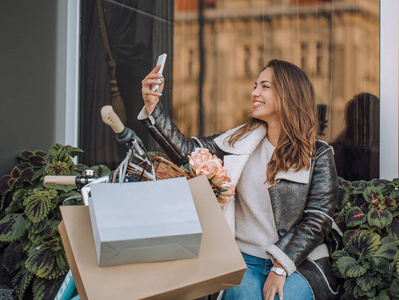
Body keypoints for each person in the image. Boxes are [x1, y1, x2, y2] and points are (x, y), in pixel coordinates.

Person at [138, 59, 340, 300]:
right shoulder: (239, 141)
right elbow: (188, 151)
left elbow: (319, 218)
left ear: (289, 94)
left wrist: (280, 266)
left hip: (300, 261)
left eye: (265, 86)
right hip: (243, 258)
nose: (254, 92)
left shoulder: (317, 154)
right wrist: (153, 106)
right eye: (256, 86)